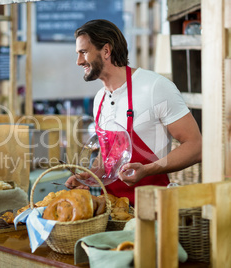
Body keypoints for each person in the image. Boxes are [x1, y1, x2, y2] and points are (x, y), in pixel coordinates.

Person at [65, 20, 202, 206]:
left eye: (83, 52)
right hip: (113, 211)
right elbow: (108, 157)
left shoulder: (155, 87)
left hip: (154, 209)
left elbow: (196, 146)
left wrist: (148, 169)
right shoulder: (100, 99)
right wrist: (89, 177)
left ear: (106, 50)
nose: (79, 61)